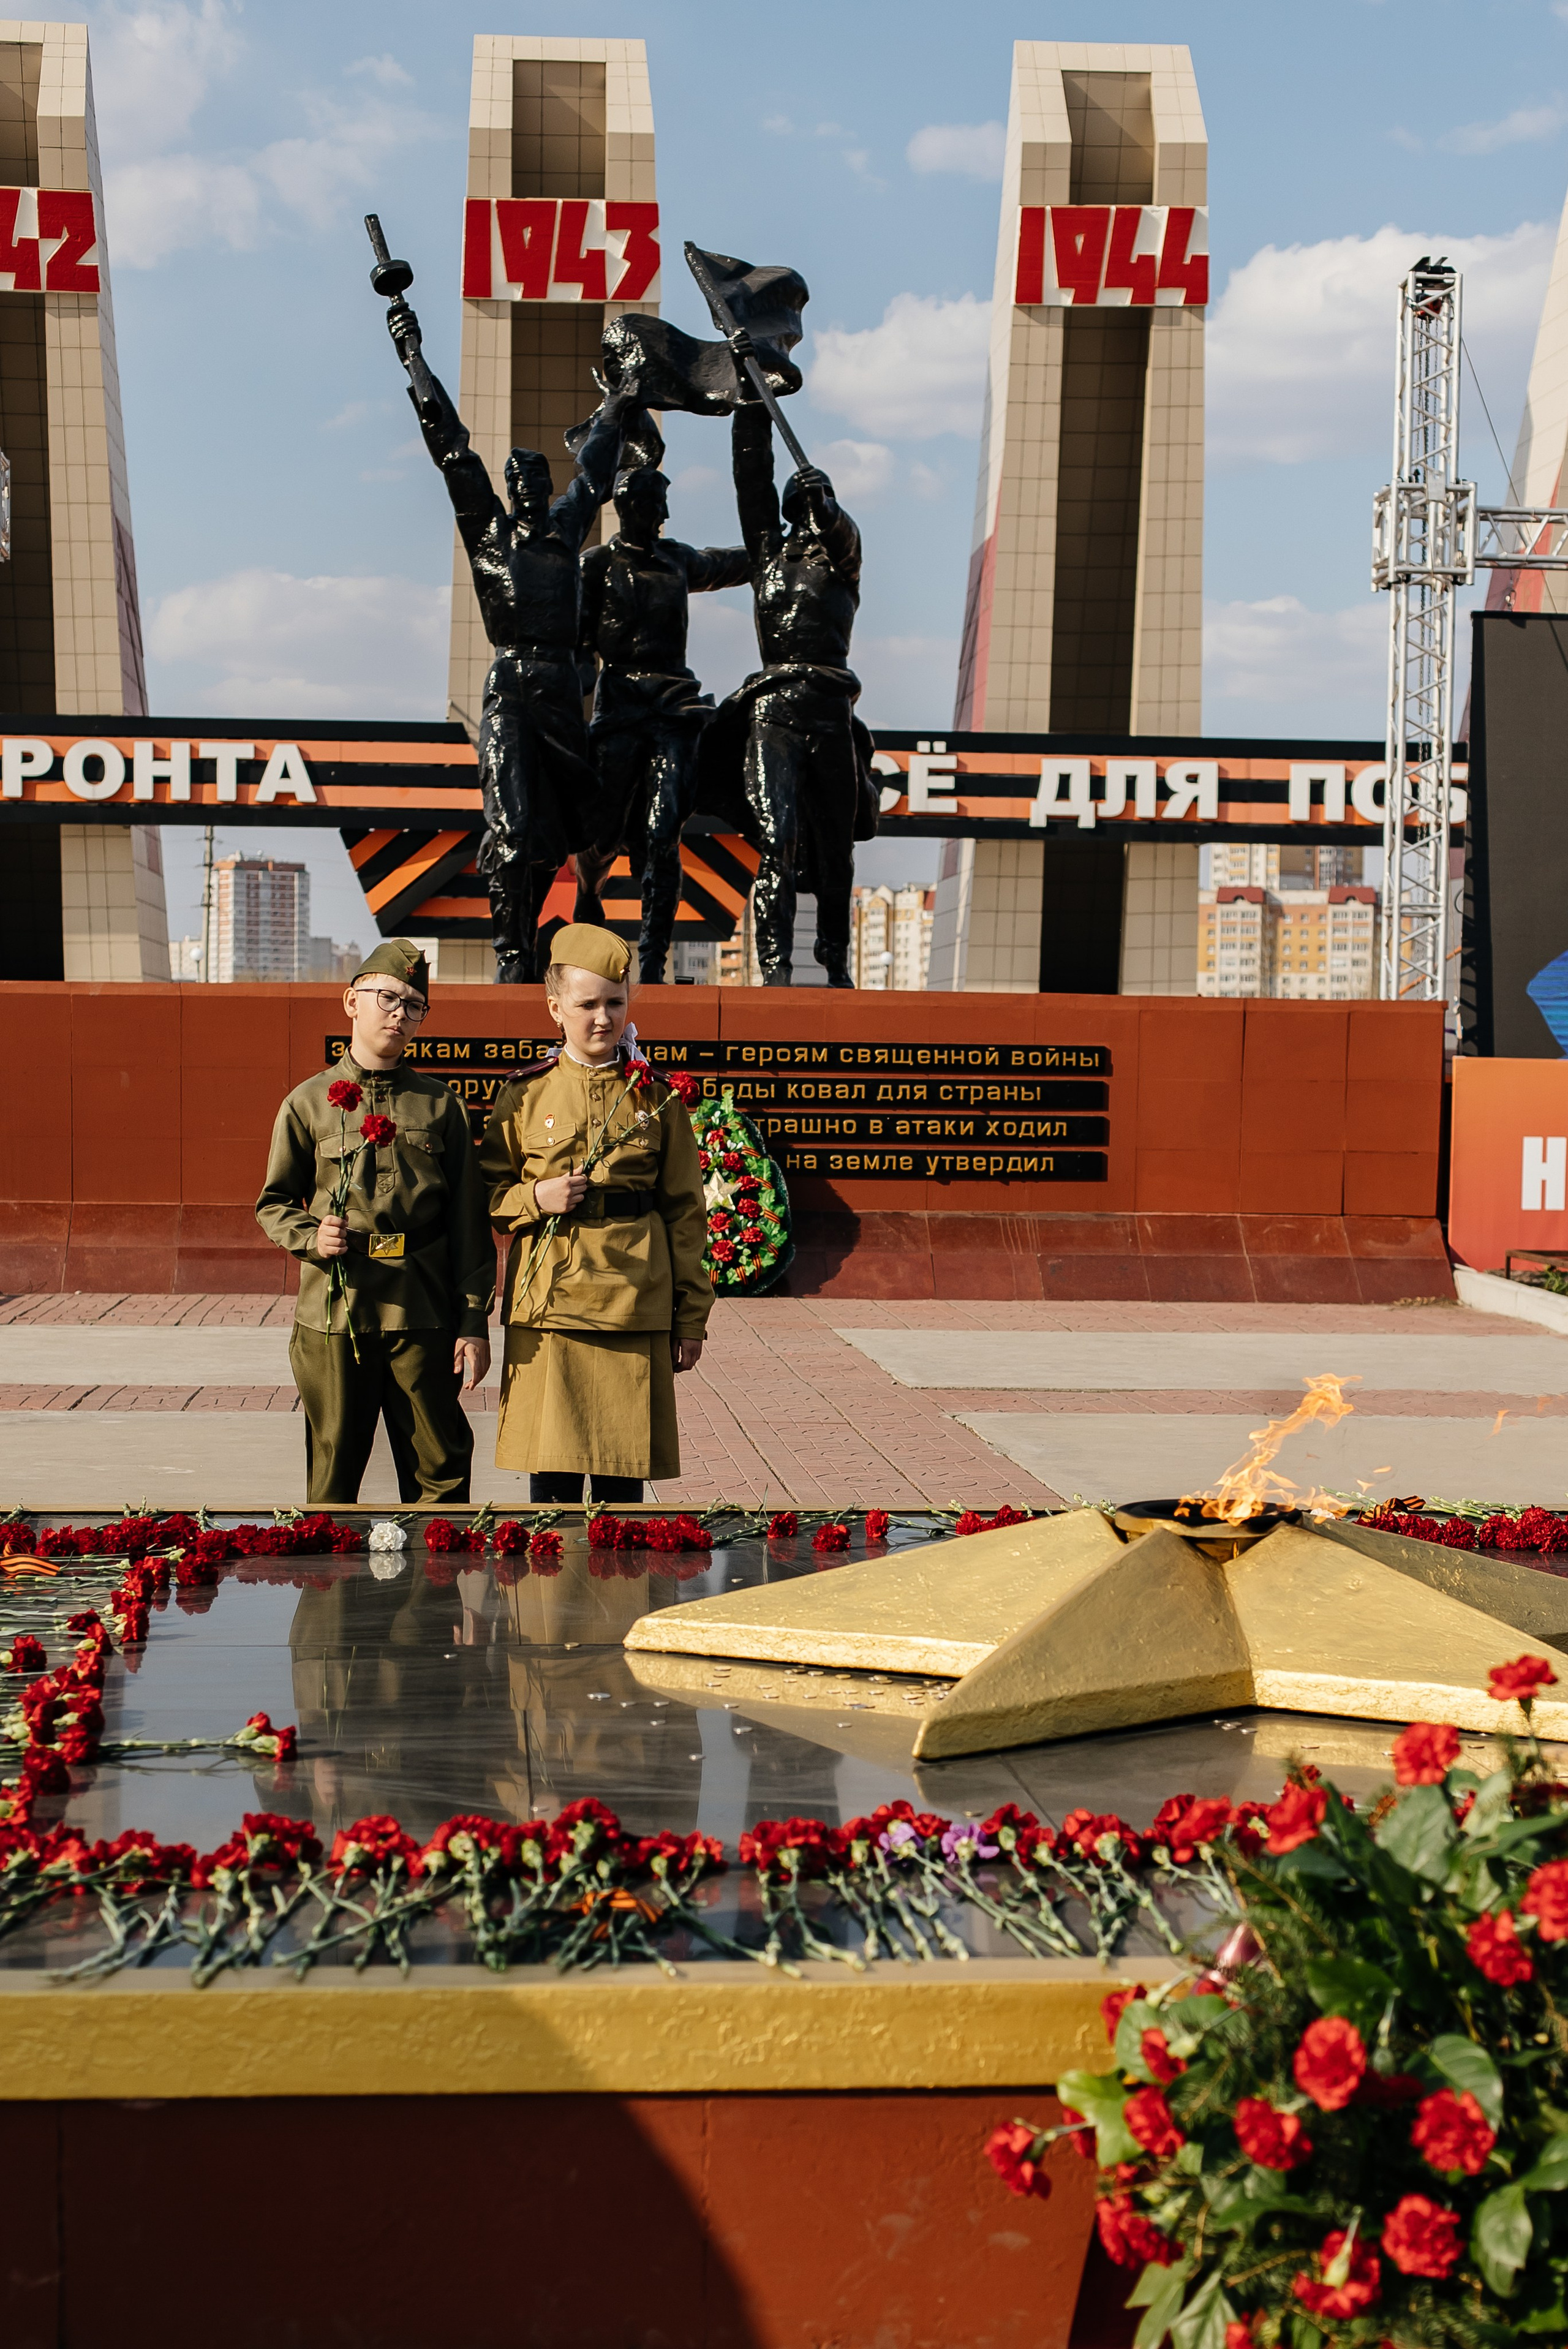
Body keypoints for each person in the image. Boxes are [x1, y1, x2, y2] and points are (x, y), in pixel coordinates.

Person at [382, 288, 638, 980]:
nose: (526, 484)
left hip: (560, 688)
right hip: (511, 689)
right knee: (514, 825)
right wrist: (413, 356)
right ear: (505, 486)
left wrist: (619, 398)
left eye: (536, 476)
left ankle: (580, 901)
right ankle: (513, 954)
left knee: (581, 820)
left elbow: (598, 467)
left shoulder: (564, 530)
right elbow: (449, 446)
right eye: (516, 477)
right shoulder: (487, 531)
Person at [255, 939, 494, 1503]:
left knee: (441, 1471)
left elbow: (469, 1226)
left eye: (415, 1005)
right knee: (333, 1477)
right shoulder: (308, 1103)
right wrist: (313, 1237)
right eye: (388, 997)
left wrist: (473, 1322)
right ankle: (332, 1593)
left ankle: (436, 1591)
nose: (400, 1013)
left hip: (422, 1308)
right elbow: (274, 1202)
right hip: (338, 1311)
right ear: (351, 1001)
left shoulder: (441, 1106)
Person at [478, 922, 710, 1501]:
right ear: (555, 1006)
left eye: (615, 1002)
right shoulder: (524, 1095)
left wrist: (690, 1315)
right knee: (551, 1490)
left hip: (633, 1303)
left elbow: (686, 1211)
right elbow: (484, 1196)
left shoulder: (656, 1097)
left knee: (621, 1493)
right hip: (550, 1309)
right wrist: (535, 1198)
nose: (603, 1018)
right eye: (587, 1004)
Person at [575, 462, 750, 983]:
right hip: (621, 707)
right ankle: (590, 890)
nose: (665, 516)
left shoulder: (676, 560)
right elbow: (580, 645)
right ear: (629, 508)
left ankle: (653, 959)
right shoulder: (595, 566)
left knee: (663, 829)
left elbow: (727, 563)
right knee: (603, 829)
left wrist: (776, 544)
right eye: (656, 505)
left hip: (675, 708)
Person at [725, 354, 864, 986]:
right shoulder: (768, 557)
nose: (817, 504)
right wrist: (749, 392)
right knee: (776, 842)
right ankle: (775, 966)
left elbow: (843, 534)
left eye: (825, 496)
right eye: (808, 495)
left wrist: (829, 509)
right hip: (773, 713)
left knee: (836, 850)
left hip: (830, 713)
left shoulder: (844, 561)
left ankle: (835, 961)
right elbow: (751, 471)